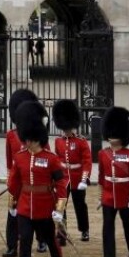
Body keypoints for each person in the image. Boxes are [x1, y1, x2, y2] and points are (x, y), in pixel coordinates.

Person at [7, 101, 67, 257]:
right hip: (25, 208)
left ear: (37, 138)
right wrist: (13, 202)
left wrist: (59, 208)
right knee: (24, 245)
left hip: (44, 208)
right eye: (26, 139)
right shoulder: (20, 157)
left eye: (30, 140)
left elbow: (61, 183)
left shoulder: (51, 158)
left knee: (51, 242)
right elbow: (14, 182)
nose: (27, 143)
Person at [96, 106, 129, 257]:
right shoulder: (103, 154)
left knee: (128, 224)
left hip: (125, 196)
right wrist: (101, 197)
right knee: (107, 226)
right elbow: (101, 177)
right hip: (109, 196)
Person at [2, 88, 38, 257]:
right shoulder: (11, 135)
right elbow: (10, 161)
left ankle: (42, 239)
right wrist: (10, 179)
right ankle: (11, 245)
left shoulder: (37, 136)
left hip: (33, 180)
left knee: (37, 212)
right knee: (12, 212)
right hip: (17, 181)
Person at [52, 99, 92, 242]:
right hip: (63, 178)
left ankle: (84, 230)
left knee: (80, 206)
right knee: (61, 204)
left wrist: (84, 178)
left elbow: (87, 161)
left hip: (77, 178)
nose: (66, 130)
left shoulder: (81, 141)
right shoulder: (58, 141)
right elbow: (56, 160)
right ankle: (62, 232)